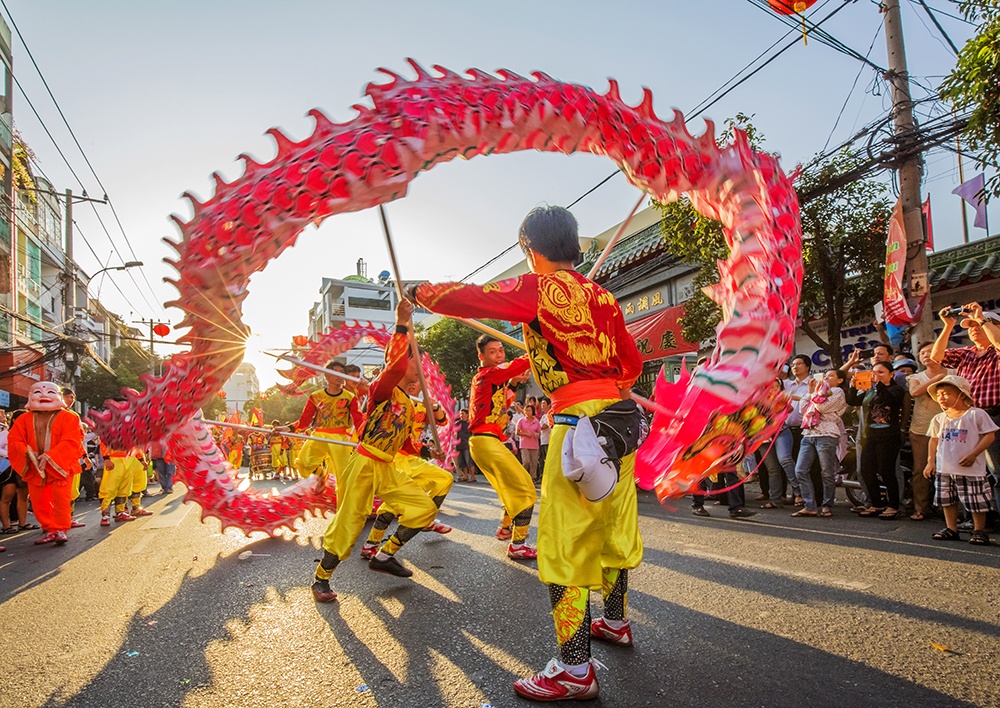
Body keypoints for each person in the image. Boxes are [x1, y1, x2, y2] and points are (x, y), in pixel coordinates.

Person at [410, 205, 643, 702]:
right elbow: (633, 361)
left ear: (528, 246)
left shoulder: (538, 289)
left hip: (576, 421)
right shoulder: (603, 295)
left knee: (566, 541)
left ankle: (575, 668)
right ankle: (616, 620)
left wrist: (420, 292)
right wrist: (611, 385)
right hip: (621, 421)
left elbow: (471, 298)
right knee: (613, 527)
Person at [310, 300, 439, 603]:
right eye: (415, 362)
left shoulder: (409, 405)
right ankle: (321, 579)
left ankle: (385, 556)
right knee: (349, 522)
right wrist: (402, 323)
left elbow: (404, 444)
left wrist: (428, 453)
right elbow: (393, 365)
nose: (419, 370)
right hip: (364, 461)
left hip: (387, 467)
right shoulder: (384, 389)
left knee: (424, 508)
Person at [457, 334, 537, 558]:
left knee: (509, 488)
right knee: (526, 490)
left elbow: (503, 403)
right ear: (481, 356)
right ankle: (518, 544)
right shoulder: (489, 374)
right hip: (485, 441)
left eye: (501, 350)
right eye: (492, 352)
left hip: (485, 441)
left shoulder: (491, 379)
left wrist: (512, 382)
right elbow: (517, 365)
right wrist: (536, 348)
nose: (499, 354)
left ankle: (505, 529)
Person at [360, 380, 454, 559]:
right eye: (410, 379)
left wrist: (434, 406)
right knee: (396, 502)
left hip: (412, 458)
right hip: (395, 457)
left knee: (442, 480)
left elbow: (441, 421)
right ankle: (374, 543)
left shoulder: (421, 406)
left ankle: (424, 518)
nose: (414, 384)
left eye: (418, 381)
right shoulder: (396, 402)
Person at [930, 303, 1000, 522]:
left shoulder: (996, 352)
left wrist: (982, 319)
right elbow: (936, 356)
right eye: (970, 326)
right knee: (968, 471)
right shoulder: (966, 353)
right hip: (966, 417)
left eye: (978, 325)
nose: (974, 329)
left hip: (994, 414)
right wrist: (948, 325)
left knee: (996, 471)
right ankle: (976, 520)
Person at [6, 382, 84, 545]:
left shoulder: (69, 417)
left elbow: (71, 440)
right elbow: (14, 440)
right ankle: (49, 529)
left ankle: (61, 529)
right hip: (35, 467)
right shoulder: (24, 419)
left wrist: (50, 456)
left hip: (59, 465)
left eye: (49, 392)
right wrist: (28, 452)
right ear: (30, 396)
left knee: (61, 499)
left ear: (58, 396)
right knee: (38, 500)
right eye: (38, 392)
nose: (43, 396)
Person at [925, 375, 998, 545]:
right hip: (946, 467)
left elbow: (989, 435)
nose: (942, 397)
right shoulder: (939, 419)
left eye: (947, 393)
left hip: (971, 469)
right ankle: (951, 528)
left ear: (961, 394)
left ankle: (979, 530)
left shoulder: (976, 414)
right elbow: (933, 439)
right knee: (947, 500)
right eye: (940, 394)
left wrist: (974, 454)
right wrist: (931, 461)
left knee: (976, 501)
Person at [289, 360, 363, 492]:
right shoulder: (316, 396)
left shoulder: (350, 397)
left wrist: (363, 438)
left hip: (339, 439)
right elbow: (304, 422)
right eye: (335, 372)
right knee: (303, 463)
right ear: (327, 376)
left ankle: (343, 509)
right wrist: (288, 429)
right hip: (318, 435)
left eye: (342, 373)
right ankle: (321, 474)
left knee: (343, 477)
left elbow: (358, 420)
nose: (339, 376)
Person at [846, 361, 906, 519]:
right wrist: (853, 386)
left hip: (888, 436)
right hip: (870, 435)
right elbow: (852, 401)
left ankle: (893, 505)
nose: (876, 375)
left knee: (887, 470)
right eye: (874, 372)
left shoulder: (896, 390)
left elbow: (890, 399)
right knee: (866, 470)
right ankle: (876, 503)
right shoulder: (870, 391)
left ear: (891, 374)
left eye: (881, 372)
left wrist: (879, 384)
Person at [791, 369, 847, 518]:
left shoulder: (838, 391)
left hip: (827, 434)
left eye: (830, 375)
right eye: (826, 375)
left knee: (827, 472)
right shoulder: (818, 392)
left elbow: (821, 407)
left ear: (839, 380)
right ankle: (810, 505)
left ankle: (827, 505)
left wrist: (813, 396)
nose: (826, 378)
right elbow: (803, 409)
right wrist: (811, 392)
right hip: (809, 433)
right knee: (800, 470)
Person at [907, 341, 953, 521]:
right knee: (920, 470)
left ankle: (953, 510)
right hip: (921, 430)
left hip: (950, 428)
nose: (925, 355)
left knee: (950, 469)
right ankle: (921, 507)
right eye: (922, 353)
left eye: (929, 351)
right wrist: (938, 378)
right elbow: (915, 392)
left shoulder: (955, 373)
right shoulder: (916, 377)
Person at [516, 403, 542, 482]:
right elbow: (517, 432)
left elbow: (539, 432)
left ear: (532, 411)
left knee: (534, 463)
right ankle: (523, 476)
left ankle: (532, 479)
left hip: (534, 445)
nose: (528, 412)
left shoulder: (536, 422)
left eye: (529, 410)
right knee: (526, 461)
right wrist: (525, 434)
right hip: (524, 444)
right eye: (526, 410)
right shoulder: (521, 421)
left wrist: (537, 434)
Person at [453, 409, 474, 483]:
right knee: (462, 462)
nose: (461, 415)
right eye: (460, 414)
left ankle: (472, 477)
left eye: (463, 413)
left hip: (467, 444)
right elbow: (454, 433)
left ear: (467, 414)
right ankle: (466, 476)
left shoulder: (470, 423)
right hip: (459, 445)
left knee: (469, 462)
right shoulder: (457, 423)